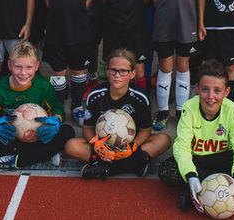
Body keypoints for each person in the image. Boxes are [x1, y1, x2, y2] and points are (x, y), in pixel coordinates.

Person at [158, 59, 234, 211]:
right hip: (198, 160)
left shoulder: (231, 109)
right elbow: (182, 147)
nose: (210, 96)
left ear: (226, 92)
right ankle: (227, 185)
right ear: (197, 88)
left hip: (225, 159)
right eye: (205, 89)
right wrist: (191, 175)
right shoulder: (189, 108)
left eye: (217, 90)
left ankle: (208, 187)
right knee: (166, 170)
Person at [65, 49, 172, 179]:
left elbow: (145, 130)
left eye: (123, 71)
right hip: (103, 146)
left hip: (129, 146)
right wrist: (96, 144)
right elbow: (87, 128)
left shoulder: (141, 98)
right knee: (71, 146)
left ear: (132, 74)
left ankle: (104, 168)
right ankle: (135, 164)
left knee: (164, 140)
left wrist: (132, 146)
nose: (117, 75)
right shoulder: (95, 95)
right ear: (107, 72)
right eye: (113, 70)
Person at [0, 41, 75, 173]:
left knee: (68, 131)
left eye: (29, 67)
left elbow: (57, 108)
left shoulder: (43, 86)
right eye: (18, 67)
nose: (23, 73)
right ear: (9, 65)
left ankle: (13, 161)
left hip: (40, 136)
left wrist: (56, 120)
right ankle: (45, 154)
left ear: (36, 66)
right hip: (13, 137)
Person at [41, 0, 97, 122]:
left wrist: (75, 12)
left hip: (79, 31)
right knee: (58, 70)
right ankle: (58, 108)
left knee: (78, 69)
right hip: (56, 30)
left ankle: (76, 105)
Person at [151, 0, 202, 130]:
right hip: (164, 27)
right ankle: (163, 111)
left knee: (183, 66)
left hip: (187, 27)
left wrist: (199, 23)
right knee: (165, 67)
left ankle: (181, 110)